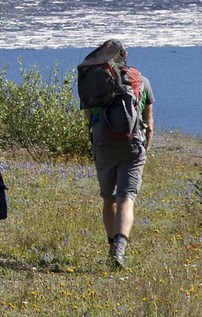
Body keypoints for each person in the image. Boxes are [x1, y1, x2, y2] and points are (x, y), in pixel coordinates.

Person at [78, 39, 154, 269]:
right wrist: (144, 149)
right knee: (126, 199)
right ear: (125, 54)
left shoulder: (94, 82)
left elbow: (88, 119)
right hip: (133, 145)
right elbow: (149, 123)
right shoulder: (141, 81)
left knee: (108, 198)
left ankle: (112, 247)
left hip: (103, 144)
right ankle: (120, 250)